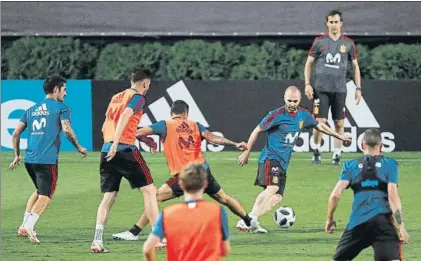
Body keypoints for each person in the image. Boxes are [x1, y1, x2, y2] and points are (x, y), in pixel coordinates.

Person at [112, 100, 251, 241]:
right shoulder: (196, 125)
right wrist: (235, 144)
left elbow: (137, 132)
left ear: (171, 113)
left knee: (154, 197)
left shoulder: (164, 125)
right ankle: (249, 221)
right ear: (186, 113)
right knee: (224, 198)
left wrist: (147, 140)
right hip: (203, 170)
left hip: (186, 173)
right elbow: (214, 138)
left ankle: (134, 232)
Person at [236, 86, 351, 232]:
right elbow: (257, 130)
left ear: (299, 100)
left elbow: (320, 126)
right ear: (284, 98)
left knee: (277, 197)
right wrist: (247, 152)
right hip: (270, 158)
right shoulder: (276, 114)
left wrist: (339, 136)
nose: (292, 103)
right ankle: (249, 220)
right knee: (273, 187)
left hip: (283, 163)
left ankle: (250, 220)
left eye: (295, 101)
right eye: (289, 100)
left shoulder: (303, 114)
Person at [9, 75, 88, 244]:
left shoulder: (31, 110)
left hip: (30, 159)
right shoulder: (61, 107)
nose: (65, 94)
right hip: (47, 159)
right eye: (64, 90)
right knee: (46, 195)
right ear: (56, 90)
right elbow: (66, 129)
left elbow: (16, 133)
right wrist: (79, 147)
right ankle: (30, 225)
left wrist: (17, 155)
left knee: (39, 191)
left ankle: (24, 225)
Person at [91, 68, 159, 253]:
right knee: (150, 191)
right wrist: (117, 144)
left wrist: (112, 144)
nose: (147, 88)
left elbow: (107, 124)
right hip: (124, 149)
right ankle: (157, 237)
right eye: (148, 85)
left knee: (109, 196)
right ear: (145, 83)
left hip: (107, 149)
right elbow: (125, 116)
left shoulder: (116, 97)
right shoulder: (137, 97)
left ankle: (97, 241)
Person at [326, 128, 409, 261]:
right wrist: (402, 226)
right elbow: (393, 197)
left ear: (362, 145)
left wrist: (329, 218)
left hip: (357, 224)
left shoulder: (350, 165)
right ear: (381, 146)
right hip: (382, 224)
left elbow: (335, 195)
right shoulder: (390, 165)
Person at [304, 9, 362, 165]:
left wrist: (358, 89)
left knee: (340, 123)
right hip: (320, 89)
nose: (334, 25)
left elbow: (355, 67)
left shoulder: (348, 44)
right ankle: (316, 150)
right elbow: (309, 64)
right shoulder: (319, 42)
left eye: (336, 22)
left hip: (340, 90)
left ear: (341, 24)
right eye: (331, 22)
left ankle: (337, 154)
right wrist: (307, 84)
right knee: (320, 122)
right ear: (327, 24)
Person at [143, 163, 231, 261]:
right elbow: (225, 250)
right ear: (205, 184)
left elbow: (147, 249)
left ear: (181, 184)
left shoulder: (168, 213)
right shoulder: (217, 212)